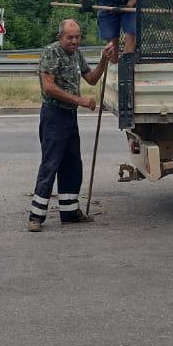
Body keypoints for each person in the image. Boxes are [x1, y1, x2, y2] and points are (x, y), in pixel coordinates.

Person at [28, 21, 116, 231]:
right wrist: (80, 100)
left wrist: (104, 59)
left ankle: (69, 212)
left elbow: (92, 79)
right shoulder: (51, 53)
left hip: (70, 116)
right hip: (54, 115)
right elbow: (49, 87)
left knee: (72, 164)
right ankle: (36, 217)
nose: (74, 41)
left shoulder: (76, 55)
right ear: (60, 37)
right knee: (50, 165)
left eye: (77, 37)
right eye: (70, 37)